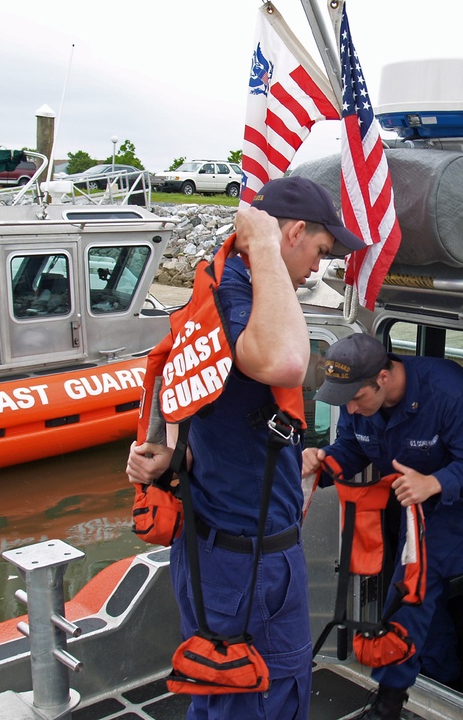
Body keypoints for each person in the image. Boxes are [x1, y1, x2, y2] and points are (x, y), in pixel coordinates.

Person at [125, 175, 366, 720]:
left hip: (223, 550)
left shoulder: (216, 289)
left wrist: (166, 448)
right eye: (321, 252)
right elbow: (284, 364)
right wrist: (261, 244)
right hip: (247, 563)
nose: (319, 269)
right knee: (262, 697)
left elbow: (187, 384)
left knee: (222, 694)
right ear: (295, 231)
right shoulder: (241, 289)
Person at [302, 333, 463, 720]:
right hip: (409, 499)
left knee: (415, 582)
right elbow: (354, 448)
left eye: (357, 400)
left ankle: (389, 702)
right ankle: (441, 673)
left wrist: (434, 483)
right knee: (417, 589)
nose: (353, 410)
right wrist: (322, 460)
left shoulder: (447, 390)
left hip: (462, 500)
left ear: (382, 377)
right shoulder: (356, 400)